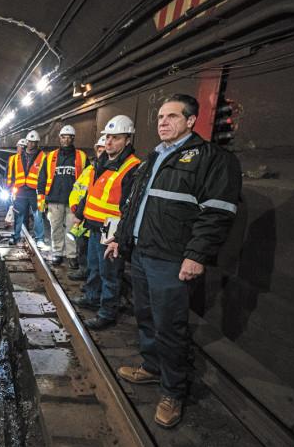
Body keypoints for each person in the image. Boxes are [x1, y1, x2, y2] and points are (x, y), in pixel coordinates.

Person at [105, 94, 242, 428]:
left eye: (172, 117)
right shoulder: (154, 157)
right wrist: (119, 238)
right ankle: (152, 368)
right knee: (146, 316)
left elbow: (217, 213)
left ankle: (173, 391)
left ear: (191, 121)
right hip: (142, 253)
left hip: (170, 258)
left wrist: (196, 255)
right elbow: (134, 205)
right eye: (160, 117)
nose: (163, 122)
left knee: (171, 326)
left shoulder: (212, 158)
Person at [73, 116, 141, 331]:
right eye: (108, 137)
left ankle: (107, 312)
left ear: (127, 140)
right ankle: (92, 297)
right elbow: (91, 191)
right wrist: (81, 212)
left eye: (116, 138)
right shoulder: (102, 162)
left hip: (112, 230)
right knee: (94, 266)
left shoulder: (132, 167)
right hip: (94, 226)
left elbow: (131, 206)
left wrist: (121, 234)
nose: (109, 142)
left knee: (110, 274)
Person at [37, 125, 87, 268]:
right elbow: (42, 177)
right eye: (63, 137)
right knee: (56, 228)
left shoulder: (81, 157)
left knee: (71, 230)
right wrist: (41, 198)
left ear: (73, 138)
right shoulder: (51, 157)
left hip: (73, 202)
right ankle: (58, 253)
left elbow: (88, 179)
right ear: (60, 138)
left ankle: (71, 255)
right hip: (54, 199)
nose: (66, 140)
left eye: (69, 137)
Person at [68, 135, 107, 281]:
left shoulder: (110, 171)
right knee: (83, 248)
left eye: (104, 150)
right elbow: (77, 189)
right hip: (84, 217)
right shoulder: (89, 170)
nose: (101, 153)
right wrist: (74, 205)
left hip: (99, 221)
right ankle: (85, 273)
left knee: (97, 256)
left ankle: (92, 281)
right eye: (99, 149)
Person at [8, 131, 46, 246]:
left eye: (34, 142)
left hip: (35, 191)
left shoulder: (43, 157)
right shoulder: (17, 157)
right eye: (29, 142)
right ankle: (16, 236)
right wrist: (10, 187)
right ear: (26, 142)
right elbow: (11, 174)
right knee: (18, 214)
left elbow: (46, 174)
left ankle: (40, 239)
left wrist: (43, 191)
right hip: (20, 190)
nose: (31, 144)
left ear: (37, 143)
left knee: (38, 214)